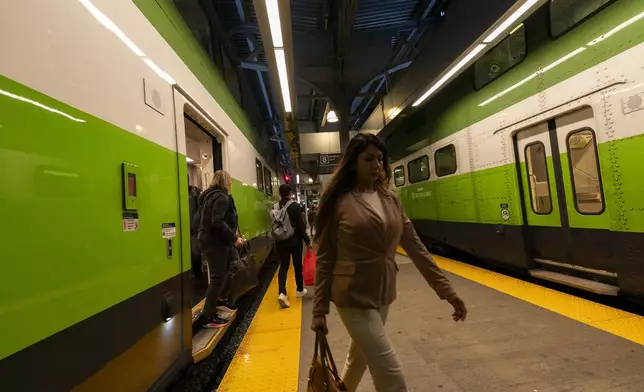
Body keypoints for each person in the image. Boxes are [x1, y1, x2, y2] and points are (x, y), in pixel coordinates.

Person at [311, 134, 467, 392]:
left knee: (357, 361)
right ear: (353, 162)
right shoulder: (339, 203)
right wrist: (319, 312)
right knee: (391, 373)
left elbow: (416, 247)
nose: (376, 165)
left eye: (380, 159)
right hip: (351, 296)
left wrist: (446, 291)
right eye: (369, 159)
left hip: (382, 294)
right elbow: (325, 259)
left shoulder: (391, 200)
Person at [198, 170, 245, 328]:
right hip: (215, 242)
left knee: (230, 268)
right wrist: (234, 239)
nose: (231, 184)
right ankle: (208, 317)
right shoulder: (222, 197)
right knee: (217, 279)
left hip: (211, 240)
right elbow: (217, 222)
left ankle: (218, 301)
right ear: (224, 182)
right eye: (229, 181)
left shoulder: (209, 196)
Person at [274, 184, 312, 309]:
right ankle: (300, 289)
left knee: (283, 266)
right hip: (294, 241)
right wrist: (307, 241)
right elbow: (300, 227)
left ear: (280, 193)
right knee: (297, 265)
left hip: (280, 241)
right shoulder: (295, 206)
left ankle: (282, 293)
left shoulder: (275, 206)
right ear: (290, 193)